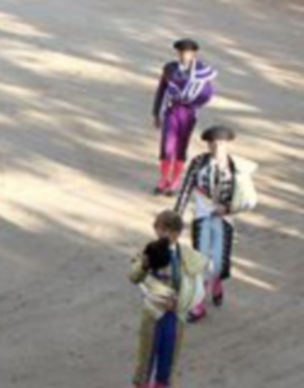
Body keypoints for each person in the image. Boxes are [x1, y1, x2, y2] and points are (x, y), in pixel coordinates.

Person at [175, 125, 257, 322]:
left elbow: (249, 200)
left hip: (224, 219)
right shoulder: (198, 163)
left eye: (221, 143)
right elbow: (186, 189)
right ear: (208, 144)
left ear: (228, 144)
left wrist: (227, 209)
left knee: (219, 262)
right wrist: (177, 216)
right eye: (213, 143)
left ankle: (217, 281)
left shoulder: (238, 167)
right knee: (201, 260)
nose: (216, 147)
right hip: (202, 216)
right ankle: (198, 305)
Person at [129, 210, 206, 388]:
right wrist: (145, 264)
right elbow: (133, 277)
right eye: (162, 230)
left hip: (175, 313)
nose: (166, 235)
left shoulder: (187, 255)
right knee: (146, 353)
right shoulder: (147, 252)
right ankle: (142, 384)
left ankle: (161, 384)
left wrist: (180, 303)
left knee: (168, 355)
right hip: (153, 311)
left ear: (178, 233)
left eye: (171, 231)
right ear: (155, 229)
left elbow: (196, 286)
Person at [151, 38, 217, 196]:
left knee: (181, 146)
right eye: (181, 52)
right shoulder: (170, 68)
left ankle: (174, 181)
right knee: (167, 146)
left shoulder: (201, 71)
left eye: (187, 53)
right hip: (171, 110)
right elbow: (161, 90)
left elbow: (207, 93)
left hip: (188, 113)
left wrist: (193, 104)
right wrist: (156, 113)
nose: (183, 56)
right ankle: (163, 179)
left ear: (194, 54)